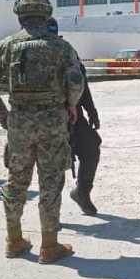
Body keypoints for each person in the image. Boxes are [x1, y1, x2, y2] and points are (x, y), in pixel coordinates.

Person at [0, 0, 85, 262]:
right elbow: (75, 81)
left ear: (19, 14)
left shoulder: (5, 46)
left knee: (17, 181)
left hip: (19, 125)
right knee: (50, 182)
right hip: (53, 122)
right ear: (47, 14)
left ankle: (14, 239)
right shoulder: (61, 47)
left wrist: (6, 118)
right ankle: (49, 245)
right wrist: (71, 104)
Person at [46, 17, 102, 215]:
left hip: (74, 116)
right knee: (52, 165)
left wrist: (91, 110)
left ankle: (82, 192)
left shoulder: (67, 50)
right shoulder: (25, 51)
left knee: (91, 149)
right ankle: (51, 214)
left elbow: (81, 82)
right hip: (45, 120)